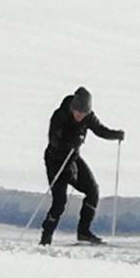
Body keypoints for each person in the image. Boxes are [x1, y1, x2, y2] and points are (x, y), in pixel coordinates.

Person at [41, 87, 124, 245]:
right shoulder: (60, 115)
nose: (80, 115)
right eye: (78, 111)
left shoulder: (88, 117)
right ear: (73, 107)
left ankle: (84, 232)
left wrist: (116, 135)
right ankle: (46, 237)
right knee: (59, 201)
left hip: (72, 159)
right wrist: (70, 141)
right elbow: (54, 140)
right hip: (56, 161)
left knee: (93, 190)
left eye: (83, 113)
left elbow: (99, 129)